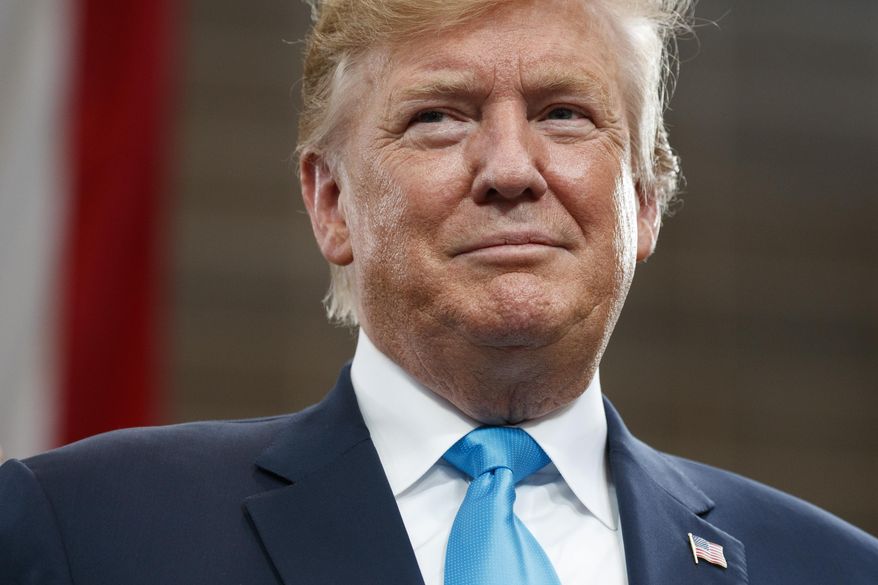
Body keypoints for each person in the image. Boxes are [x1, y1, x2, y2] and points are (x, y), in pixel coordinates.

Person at [1, 0, 876, 583]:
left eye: (564, 112)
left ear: (645, 199)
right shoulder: (86, 533)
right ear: (332, 202)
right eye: (439, 116)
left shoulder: (831, 569)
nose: (508, 169)